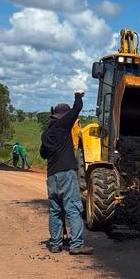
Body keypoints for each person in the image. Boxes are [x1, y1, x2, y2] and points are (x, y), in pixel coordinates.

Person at [40, 91, 92, 254]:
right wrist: (78, 95)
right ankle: (76, 245)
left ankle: (55, 244)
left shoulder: (46, 134)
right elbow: (77, 108)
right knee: (73, 208)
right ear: (63, 116)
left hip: (52, 177)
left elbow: (43, 154)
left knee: (55, 210)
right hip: (66, 173)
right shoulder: (62, 126)